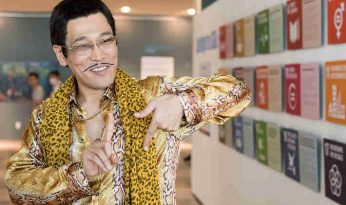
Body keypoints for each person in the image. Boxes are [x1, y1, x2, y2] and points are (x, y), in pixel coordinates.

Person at [4, 0, 251, 204]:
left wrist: (183, 104)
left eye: (106, 40)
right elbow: (16, 186)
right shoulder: (44, 117)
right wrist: (80, 173)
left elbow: (238, 92)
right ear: (62, 54)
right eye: (83, 46)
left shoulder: (154, 94)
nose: (99, 55)